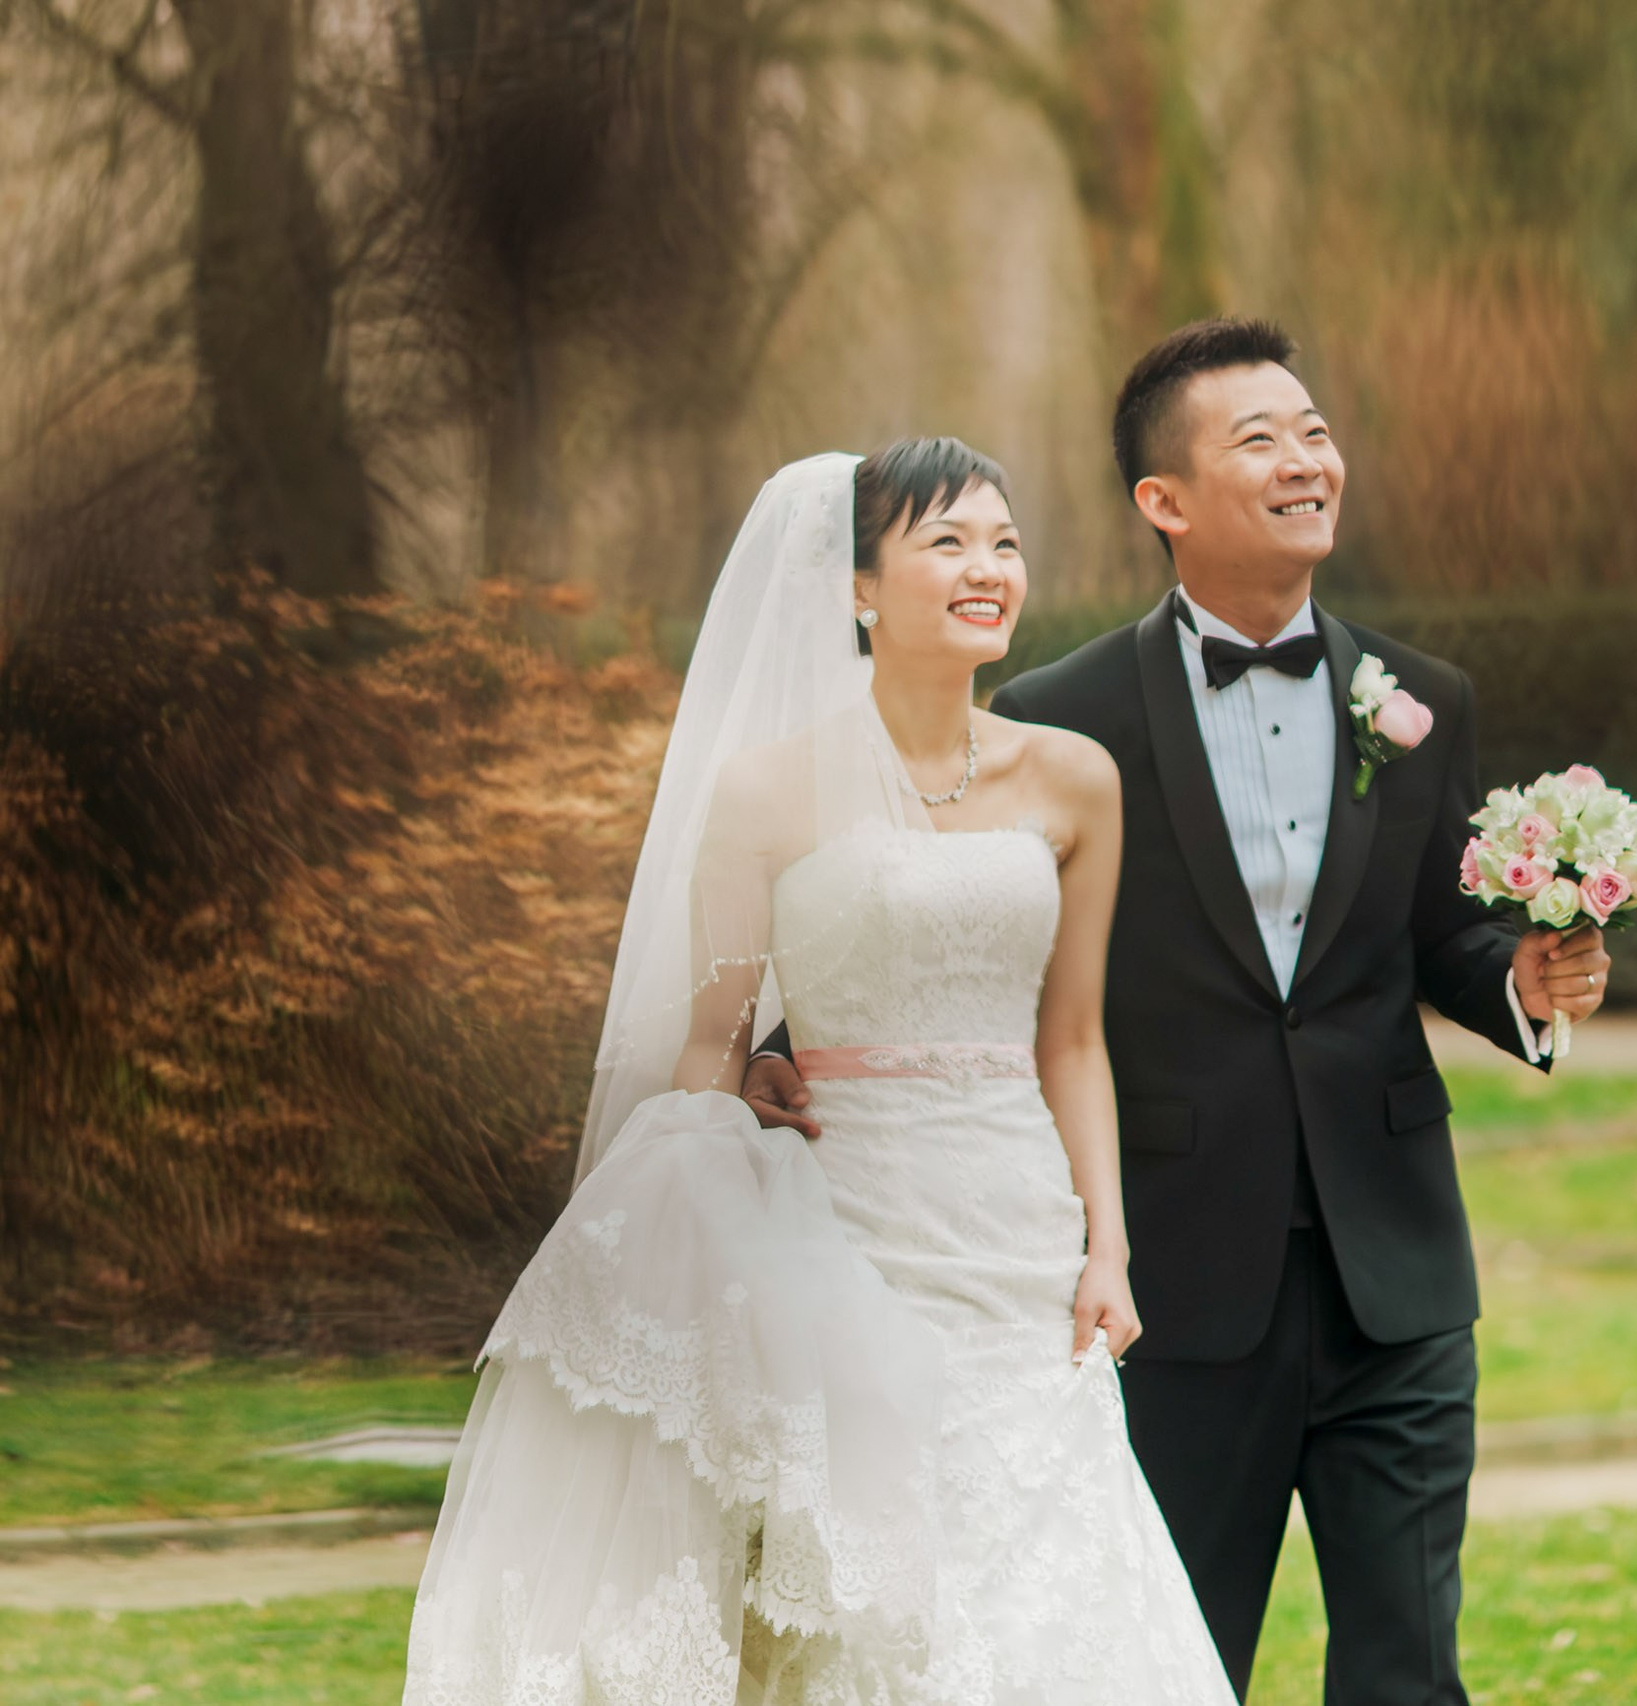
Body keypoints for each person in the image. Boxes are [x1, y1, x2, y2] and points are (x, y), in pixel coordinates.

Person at [746, 321, 1612, 1704]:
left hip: (1396, 1270)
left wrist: (1524, 984)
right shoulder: (1057, 716)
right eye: (1260, 439)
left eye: (1315, 431)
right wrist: (781, 1058)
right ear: (1166, 501)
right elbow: (958, 928)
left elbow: (1444, 934)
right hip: (1177, 1280)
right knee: (1166, 1662)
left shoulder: (1424, 704)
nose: (1306, 459)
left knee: (1409, 1676)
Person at [403, 440, 1236, 1704]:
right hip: (841, 1231)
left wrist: (1107, 1248)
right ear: (858, 586)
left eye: (1004, 542)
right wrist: (729, 1103)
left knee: (1056, 1571)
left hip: (1017, 1235)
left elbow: (1072, 1039)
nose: (987, 568)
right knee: (858, 1598)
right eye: (946, 541)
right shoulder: (764, 792)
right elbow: (712, 1044)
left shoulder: (1074, 779)